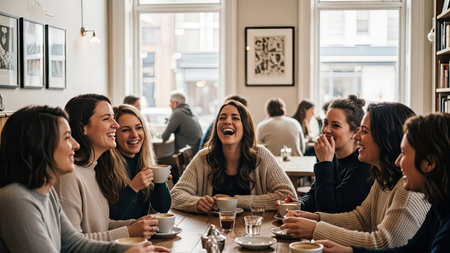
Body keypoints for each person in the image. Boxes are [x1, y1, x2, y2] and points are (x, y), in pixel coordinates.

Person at [0, 106, 168, 252]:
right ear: (38, 146)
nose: (76, 144)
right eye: (67, 137)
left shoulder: (46, 190)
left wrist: (123, 249)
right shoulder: (15, 199)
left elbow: (73, 244)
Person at [281, 103, 431, 249]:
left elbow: (384, 243)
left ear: (385, 138)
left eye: (364, 131)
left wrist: (316, 229)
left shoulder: (408, 189)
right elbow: (362, 219)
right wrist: (317, 218)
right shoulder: (383, 176)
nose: (357, 137)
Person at [316, 113, 450, 253]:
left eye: (403, 153)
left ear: (429, 163)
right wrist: (349, 251)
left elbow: (386, 242)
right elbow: (411, 250)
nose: (398, 162)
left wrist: (316, 228)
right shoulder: (438, 207)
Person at [54, 94, 159, 241]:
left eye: (113, 118)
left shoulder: (96, 169)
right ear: (83, 128)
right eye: (106, 118)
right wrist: (128, 232)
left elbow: (102, 226)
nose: (116, 125)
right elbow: (71, 243)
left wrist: (134, 224)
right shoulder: (69, 176)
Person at [171, 100, 297, 213]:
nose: (227, 121)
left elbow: (287, 197)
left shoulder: (261, 156)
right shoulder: (204, 157)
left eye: (235, 118)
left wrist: (234, 201)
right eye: (222, 118)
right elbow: (176, 195)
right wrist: (196, 203)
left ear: (245, 127)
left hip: (254, 231)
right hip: (211, 230)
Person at [299, 95, 372, 213]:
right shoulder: (331, 156)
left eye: (335, 125)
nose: (326, 130)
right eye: (325, 123)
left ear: (355, 132)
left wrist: (324, 163)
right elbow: (314, 194)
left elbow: (329, 209)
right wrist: (298, 205)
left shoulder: (362, 166)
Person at [109, 104, 172, 220]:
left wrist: (160, 181)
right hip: (120, 236)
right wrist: (133, 188)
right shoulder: (106, 167)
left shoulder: (144, 162)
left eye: (138, 128)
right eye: (126, 130)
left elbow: (163, 208)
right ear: (114, 135)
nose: (134, 135)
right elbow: (112, 216)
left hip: (144, 235)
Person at [161, 90, 202, 155]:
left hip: (184, 156)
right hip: (194, 152)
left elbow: (165, 137)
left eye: (171, 102)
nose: (170, 105)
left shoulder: (177, 113)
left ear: (176, 103)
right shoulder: (190, 112)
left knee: (158, 161)